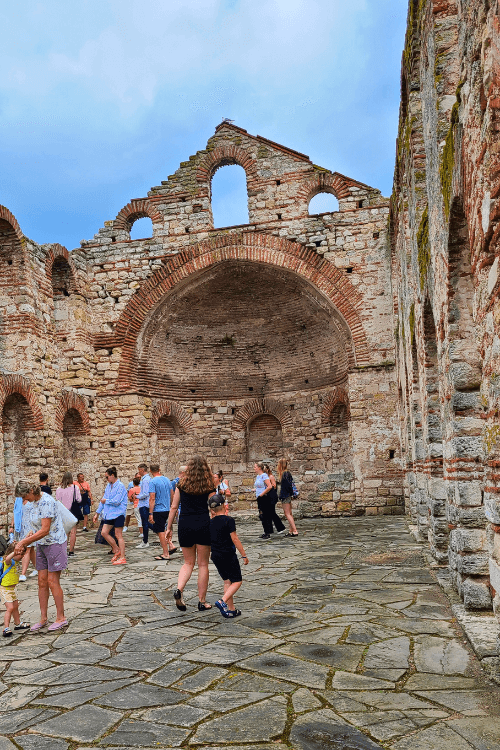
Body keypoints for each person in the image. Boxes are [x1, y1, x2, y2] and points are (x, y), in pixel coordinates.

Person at [14, 480, 69, 632]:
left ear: (32, 490)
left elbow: (45, 529)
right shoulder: (33, 503)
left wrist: (24, 542)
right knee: (42, 581)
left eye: (25, 496)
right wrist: (30, 534)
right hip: (42, 544)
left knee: (52, 581)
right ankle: (43, 618)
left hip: (55, 543)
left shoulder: (46, 501)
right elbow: (37, 527)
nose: (25, 500)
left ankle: (61, 617)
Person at [165, 456, 215, 612]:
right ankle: (202, 601)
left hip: (185, 524)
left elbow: (174, 507)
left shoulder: (181, 484)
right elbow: (214, 507)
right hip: (203, 524)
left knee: (188, 563)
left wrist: (169, 527)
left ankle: (179, 589)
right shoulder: (208, 484)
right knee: (203, 564)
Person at [209, 495, 248, 618]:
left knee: (227, 581)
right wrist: (243, 555)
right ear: (225, 506)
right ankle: (222, 601)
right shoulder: (228, 520)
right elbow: (234, 538)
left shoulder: (210, 523)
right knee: (237, 581)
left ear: (212, 510)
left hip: (216, 555)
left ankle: (231, 609)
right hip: (228, 555)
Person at [93, 467, 128, 565]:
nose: (106, 479)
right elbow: (102, 501)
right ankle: (117, 549)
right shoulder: (108, 486)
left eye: (107, 477)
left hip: (118, 514)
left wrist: (106, 501)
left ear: (112, 475)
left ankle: (122, 557)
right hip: (109, 514)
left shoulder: (120, 486)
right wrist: (97, 513)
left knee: (118, 535)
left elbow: (117, 501)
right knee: (104, 532)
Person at [1, 541, 30, 636]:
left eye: (22, 554)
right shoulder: (8, 561)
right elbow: (8, 558)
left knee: (15, 607)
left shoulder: (16, 562)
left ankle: (18, 623)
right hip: (5, 589)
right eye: (20, 554)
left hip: (13, 589)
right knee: (10, 608)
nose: (21, 556)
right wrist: (15, 552)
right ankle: (6, 628)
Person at [148, 464, 175, 561]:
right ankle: (171, 545)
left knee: (160, 531)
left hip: (158, 509)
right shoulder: (167, 479)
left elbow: (152, 498)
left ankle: (165, 553)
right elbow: (172, 494)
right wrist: (172, 506)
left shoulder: (152, 482)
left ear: (151, 471)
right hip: (167, 508)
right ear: (159, 469)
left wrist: (150, 513)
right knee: (166, 528)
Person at [254, 461, 284, 540]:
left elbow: (270, 486)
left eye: (255, 467)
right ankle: (266, 531)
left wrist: (262, 494)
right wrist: (254, 490)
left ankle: (268, 532)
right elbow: (259, 486)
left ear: (259, 468)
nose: (254, 469)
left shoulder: (264, 476)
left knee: (266, 514)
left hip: (264, 497)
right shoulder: (258, 476)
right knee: (262, 515)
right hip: (259, 497)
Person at [55, 472, 82, 557]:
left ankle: (63, 550)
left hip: (63, 512)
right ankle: (71, 551)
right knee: (73, 532)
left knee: (64, 532)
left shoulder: (59, 489)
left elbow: (57, 501)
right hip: (72, 511)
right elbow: (79, 499)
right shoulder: (75, 488)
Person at [277, 458, 299, 537]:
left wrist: (284, 495)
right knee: (289, 513)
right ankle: (291, 530)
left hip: (285, 496)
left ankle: (295, 530)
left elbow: (287, 486)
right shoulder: (287, 473)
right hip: (288, 495)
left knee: (287, 514)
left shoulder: (284, 474)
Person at [264, 463, 286, 536]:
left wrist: (268, 486)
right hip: (267, 497)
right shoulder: (264, 477)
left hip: (271, 496)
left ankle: (281, 527)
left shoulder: (270, 476)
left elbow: (274, 486)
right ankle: (271, 529)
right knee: (269, 513)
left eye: (265, 469)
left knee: (272, 513)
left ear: (267, 469)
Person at [136, 463, 151, 550]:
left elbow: (145, 493)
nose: (139, 472)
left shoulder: (145, 480)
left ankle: (145, 541)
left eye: (139, 470)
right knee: (145, 522)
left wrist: (136, 496)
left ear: (142, 470)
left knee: (145, 523)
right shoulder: (147, 479)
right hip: (146, 504)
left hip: (144, 504)